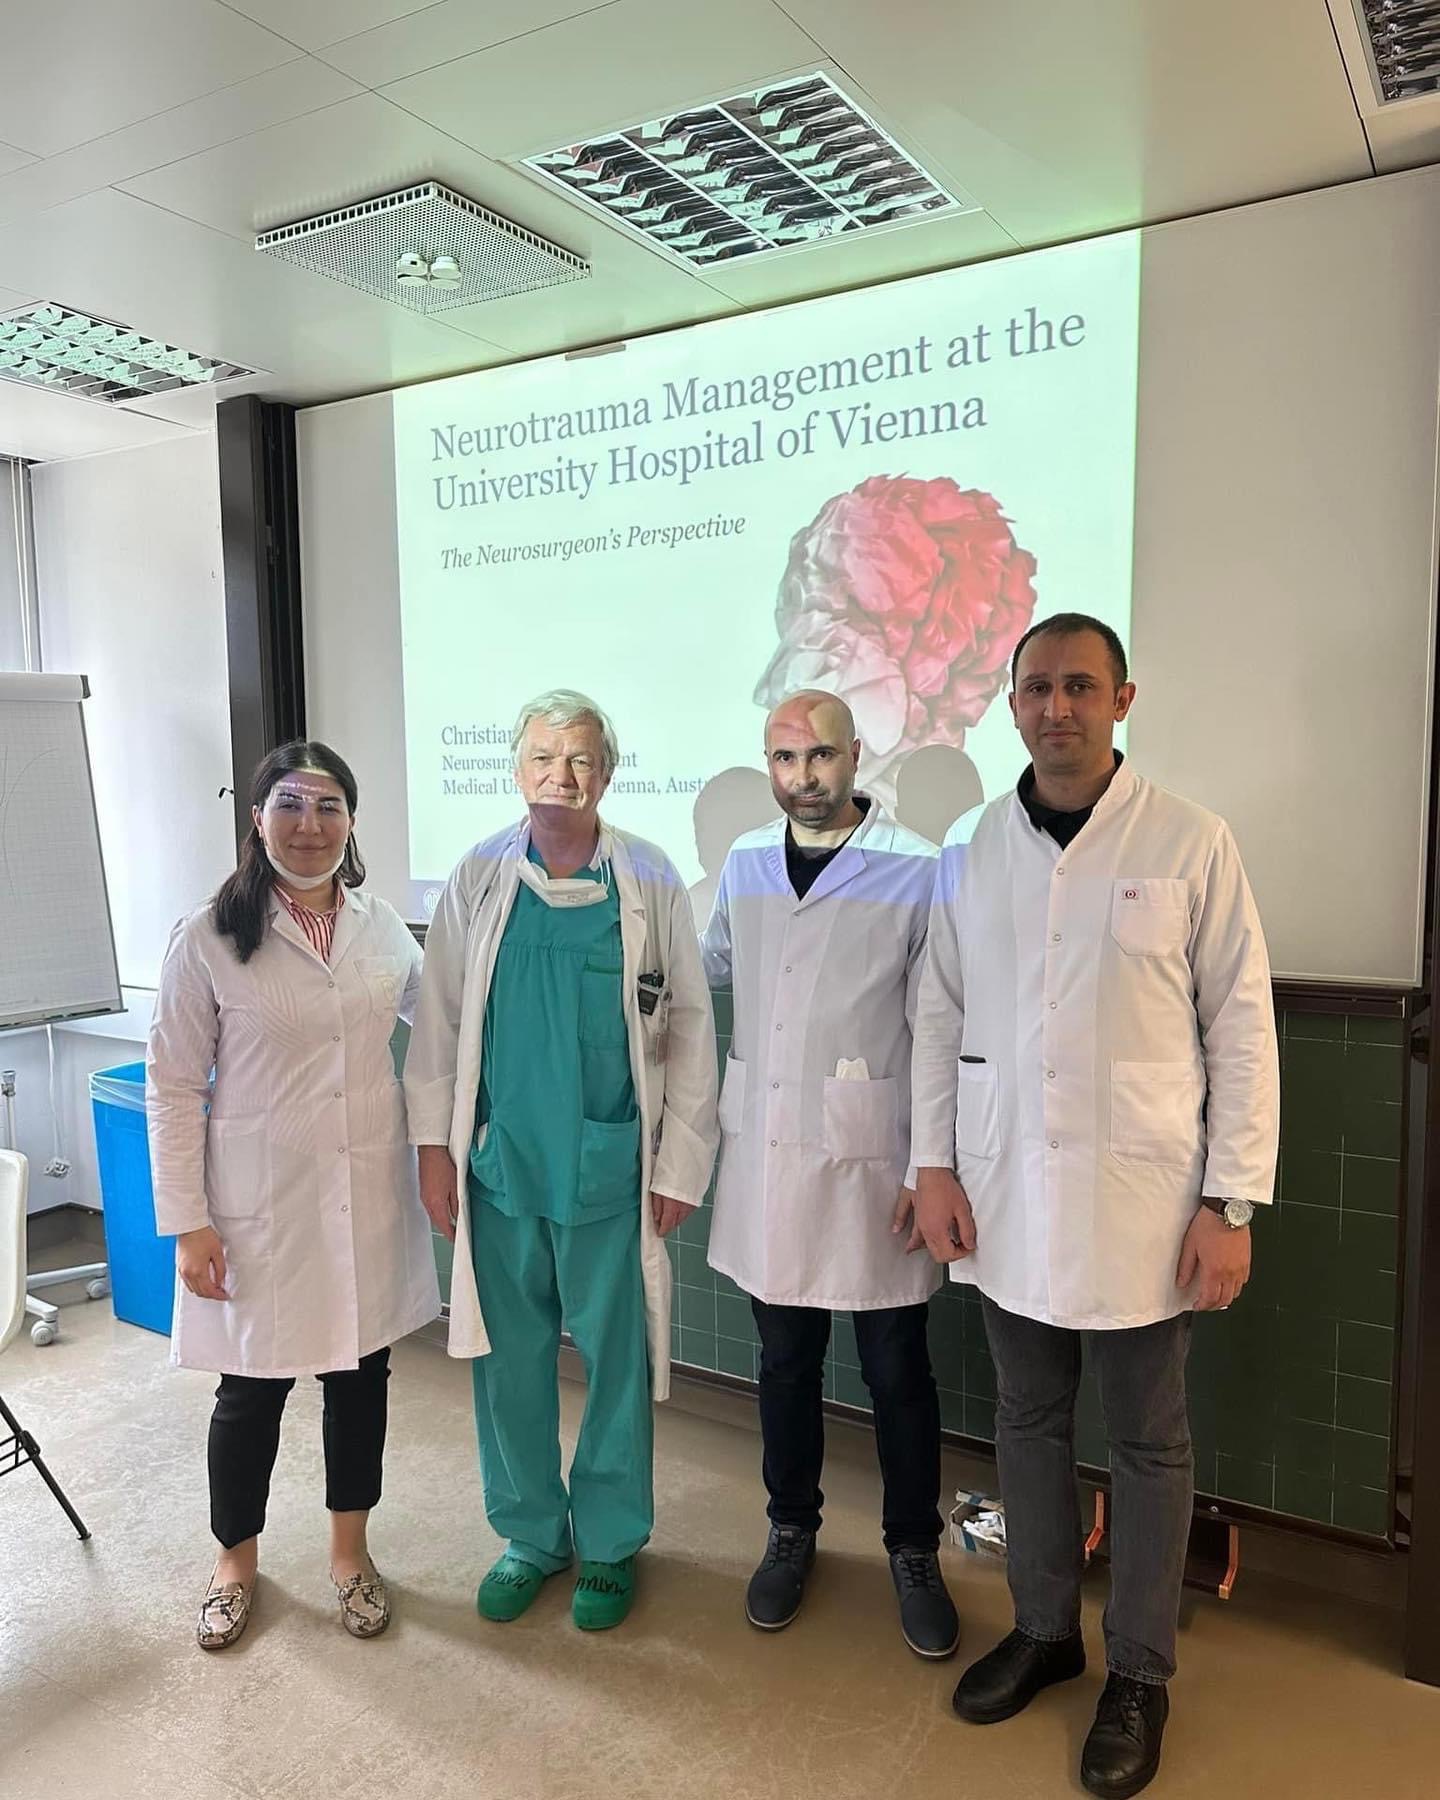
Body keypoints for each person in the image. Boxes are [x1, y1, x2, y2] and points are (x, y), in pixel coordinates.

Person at [911, 614, 1279, 1798]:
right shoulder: (974, 847)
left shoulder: (1190, 840)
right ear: (1011, 705)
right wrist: (931, 1166)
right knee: (1025, 1418)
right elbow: (938, 1012)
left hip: (1144, 1202)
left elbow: (1241, 1025)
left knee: (1147, 1441)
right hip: (1007, 1185)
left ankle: (1139, 1671)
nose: (1056, 707)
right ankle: (1044, 1630)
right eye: (1036, 688)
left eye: (1079, 686)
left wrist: (1231, 1202)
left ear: (1123, 699)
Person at [405, 689, 718, 1632]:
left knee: (617, 1361)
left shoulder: (649, 879)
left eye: (580, 759)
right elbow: (440, 1022)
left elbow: (691, 1029)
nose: (561, 775)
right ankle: (530, 1534)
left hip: (608, 1165)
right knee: (508, 1361)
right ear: (516, 769)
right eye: (543, 757)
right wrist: (434, 1151)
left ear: (608, 774)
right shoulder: (478, 875)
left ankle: (611, 1542)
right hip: (501, 1163)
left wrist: (678, 1166)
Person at [147, 742, 438, 1652]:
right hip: (257, 1206)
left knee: (360, 1382)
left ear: (351, 822)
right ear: (257, 818)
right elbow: (171, 1086)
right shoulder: (208, 936)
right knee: (251, 1391)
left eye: (328, 807)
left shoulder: (382, 928)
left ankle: (350, 1555)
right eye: (290, 805)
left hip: (363, 1194)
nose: (309, 825)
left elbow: (437, 1025)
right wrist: (188, 1223)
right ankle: (235, 1562)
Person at [700, 689, 959, 1658]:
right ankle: (790, 1529)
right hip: (771, 1157)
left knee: (896, 1370)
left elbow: (940, 1024)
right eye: (784, 757)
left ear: (856, 757)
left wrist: (930, 1164)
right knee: (784, 1363)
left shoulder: (918, 868)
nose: (802, 776)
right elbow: (711, 964)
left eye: (819, 756)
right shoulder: (745, 861)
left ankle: (913, 1548)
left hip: (876, 1162)